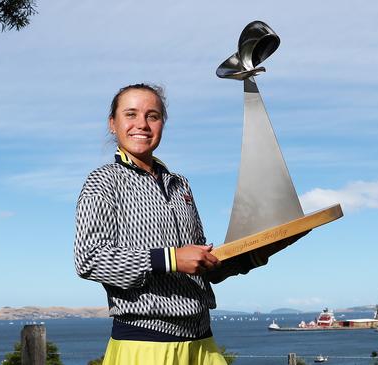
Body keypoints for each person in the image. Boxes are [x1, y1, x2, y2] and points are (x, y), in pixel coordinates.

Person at [74, 83, 298, 365]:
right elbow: (90, 259)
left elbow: (204, 267)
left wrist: (258, 251)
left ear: (162, 124)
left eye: (152, 116)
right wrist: (170, 258)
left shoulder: (181, 185)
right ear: (112, 124)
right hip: (146, 345)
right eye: (130, 114)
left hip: (203, 342)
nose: (141, 124)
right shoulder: (103, 181)